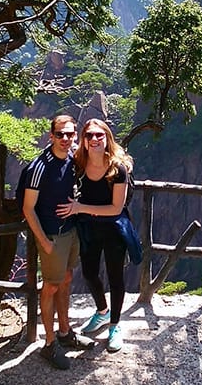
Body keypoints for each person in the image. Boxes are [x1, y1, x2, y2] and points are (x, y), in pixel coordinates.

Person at [22, 114, 94, 370]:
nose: (65, 139)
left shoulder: (74, 157)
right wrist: (45, 242)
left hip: (70, 232)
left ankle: (65, 333)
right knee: (51, 285)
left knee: (66, 278)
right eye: (60, 134)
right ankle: (49, 344)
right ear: (51, 135)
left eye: (70, 134)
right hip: (53, 236)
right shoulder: (40, 167)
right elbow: (28, 209)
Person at [57, 118, 133, 353]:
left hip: (113, 229)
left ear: (107, 137)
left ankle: (115, 325)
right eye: (89, 135)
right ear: (84, 140)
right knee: (89, 273)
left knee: (115, 277)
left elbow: (116, 208)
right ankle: (102, 312)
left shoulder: (117, 169)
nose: (94, 139)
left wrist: (80, 208)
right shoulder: (79, 164)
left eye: (99, 135)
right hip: (89, 229)